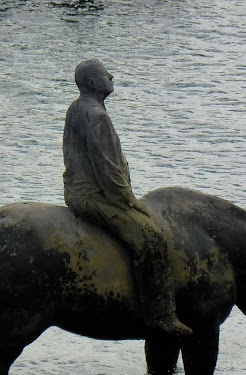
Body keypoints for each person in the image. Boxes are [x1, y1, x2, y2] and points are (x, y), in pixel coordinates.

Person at [62, 59, 192, 336]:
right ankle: (161, 314)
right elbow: (108, 170)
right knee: (151, 238)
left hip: (76, 191)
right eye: (105, 74)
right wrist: (129, 201)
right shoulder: (97, 117)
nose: (111, 75)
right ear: (94, 84)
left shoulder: (76, 108)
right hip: (96, 197)